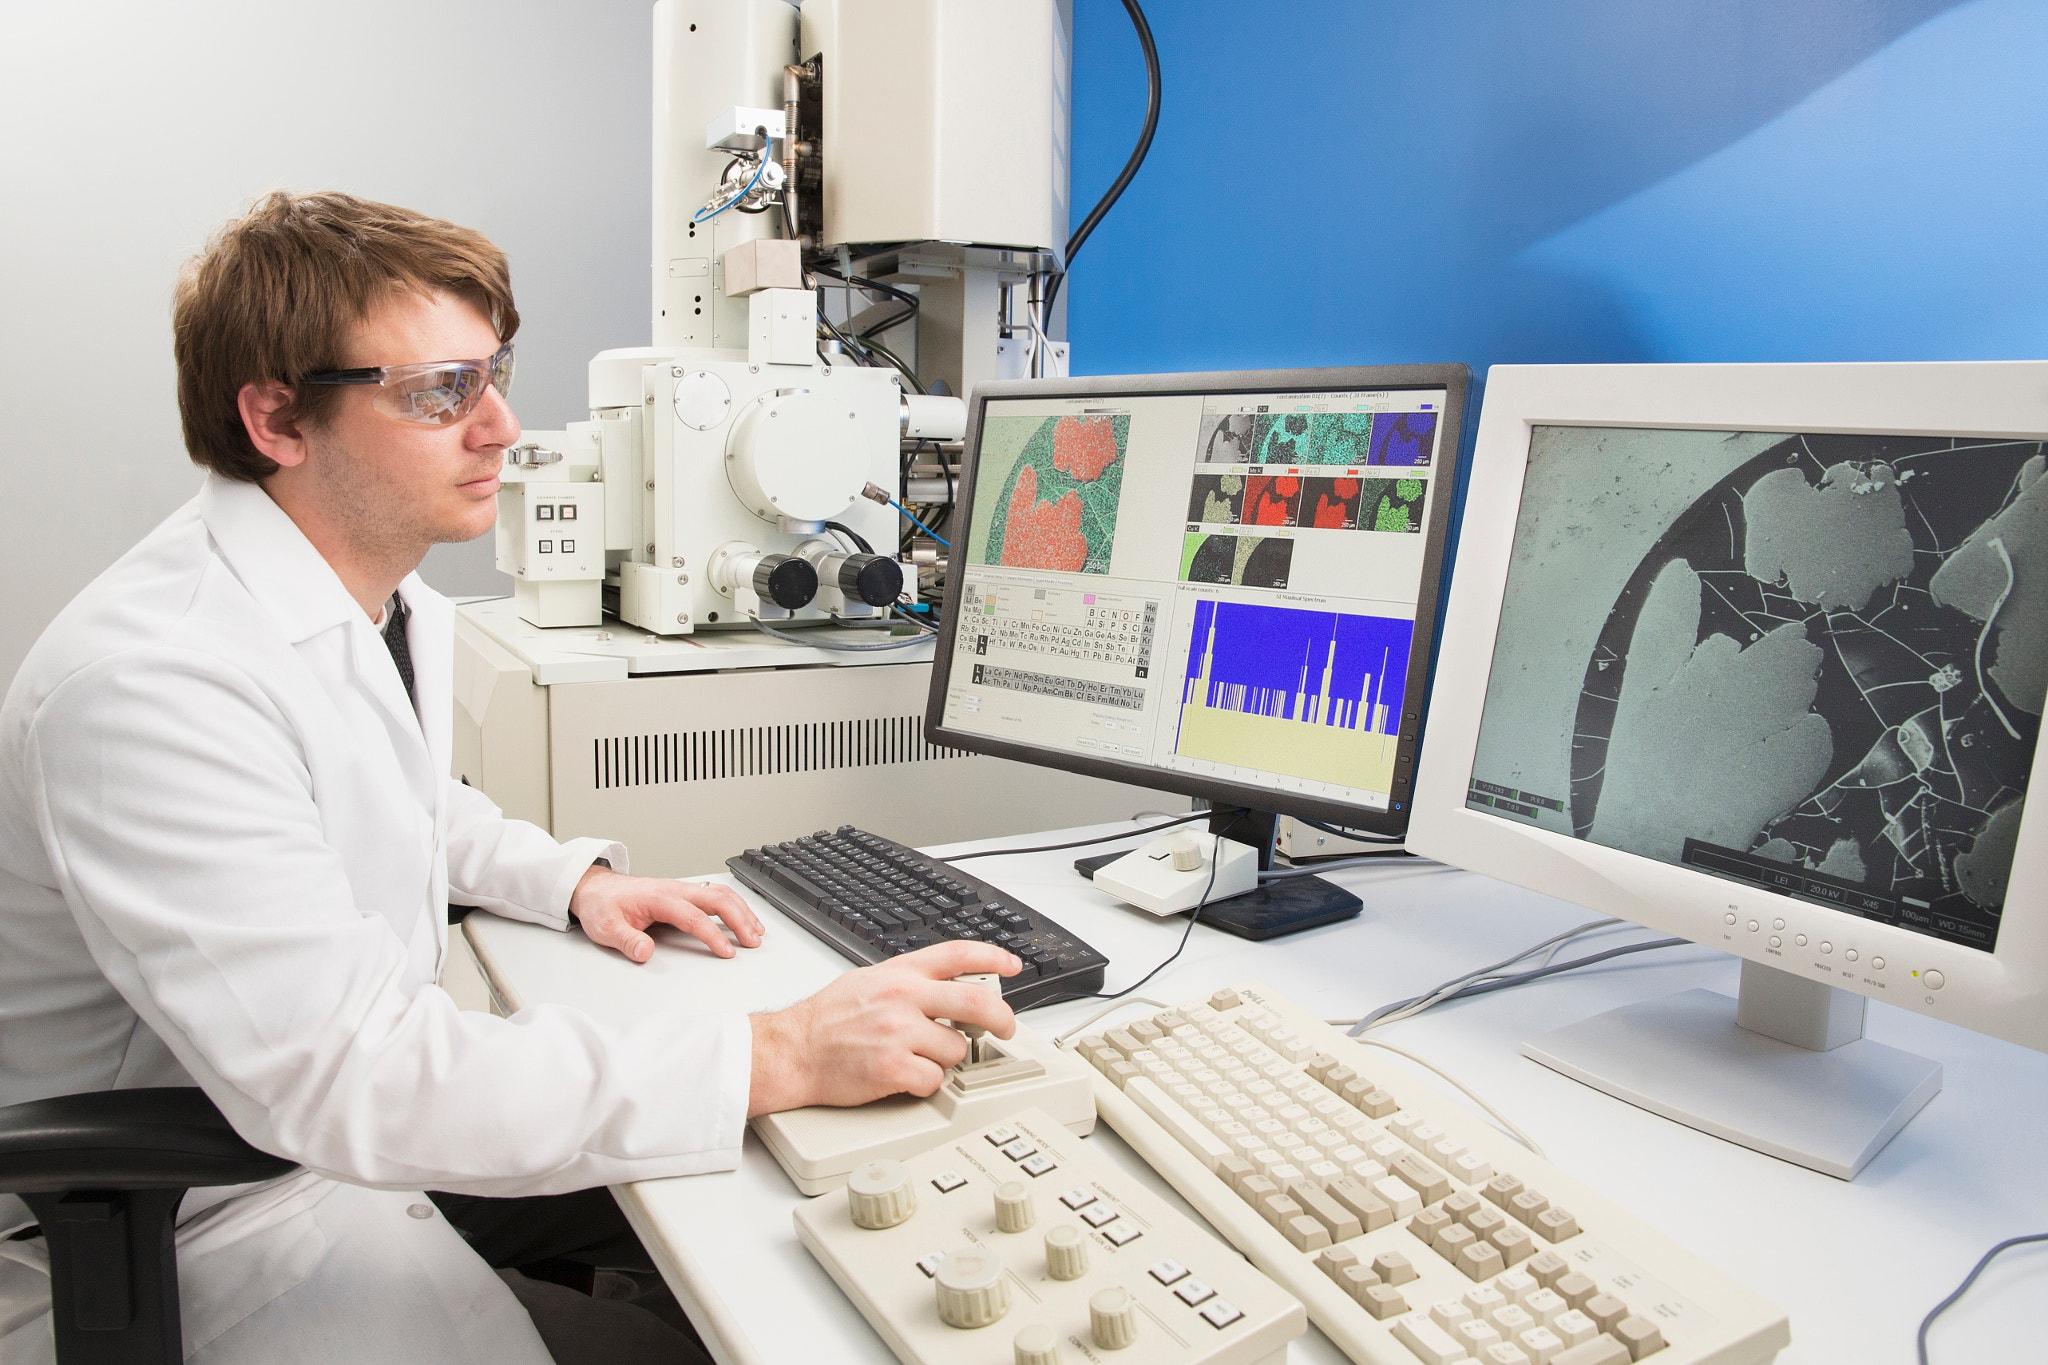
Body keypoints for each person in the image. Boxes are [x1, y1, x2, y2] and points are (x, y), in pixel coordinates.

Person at [0, 190, 1018, 1363]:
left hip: (313, 1144)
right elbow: (351, 1079)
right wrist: (776, 1051)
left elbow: (390, 798)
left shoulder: (366, 594)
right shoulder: (152, 684)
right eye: (439, 392)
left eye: (492, 375)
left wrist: (568, 881)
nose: (501, 428)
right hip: (195, 1222)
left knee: (771, 1203)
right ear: (277, 418)